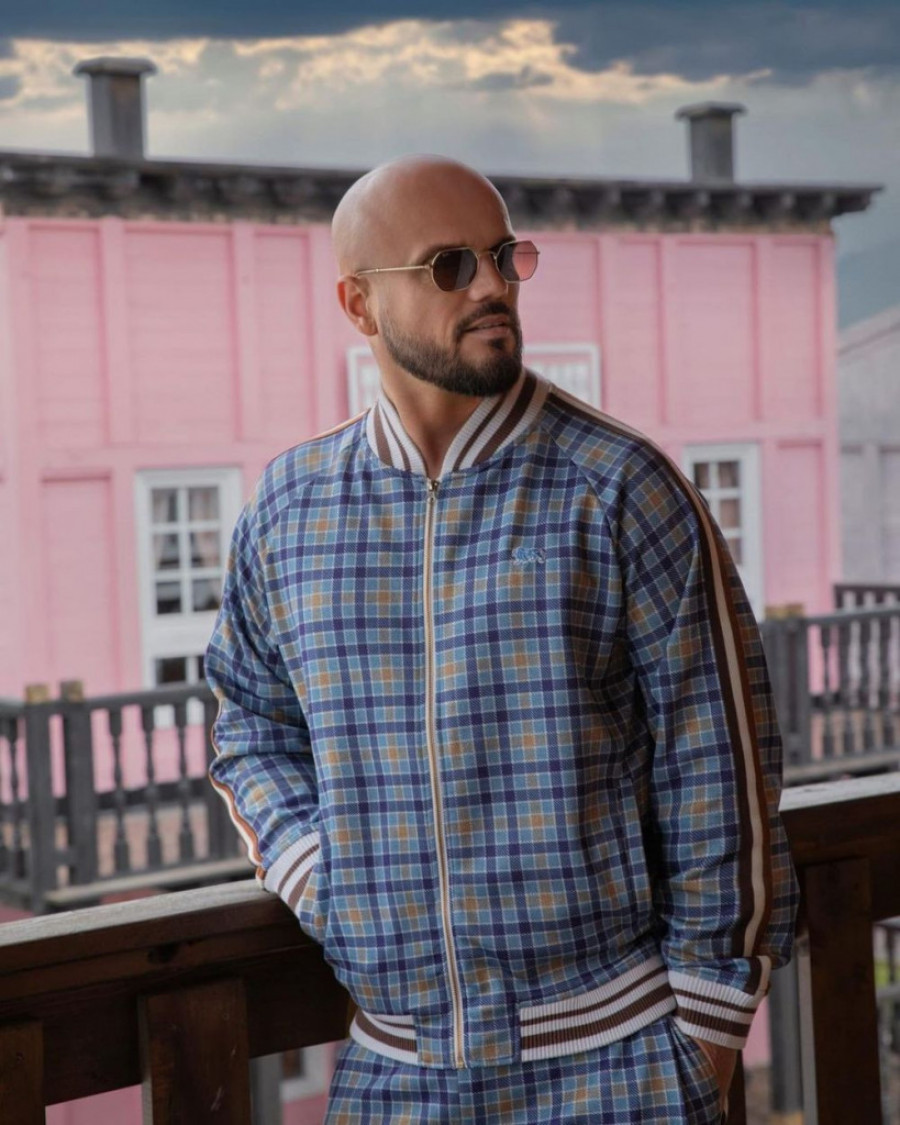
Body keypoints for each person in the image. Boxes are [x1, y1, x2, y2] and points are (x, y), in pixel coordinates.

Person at [206, 155, 797, 1124]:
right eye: (449, 266)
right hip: (391, 1075)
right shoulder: (288, 510)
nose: (491, 285)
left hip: (619, 1063)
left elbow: (719, 763)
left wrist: (707, 1033)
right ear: (359, 304)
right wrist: (320, 874)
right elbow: (250, 727)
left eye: (503, 255)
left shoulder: (622, 488)